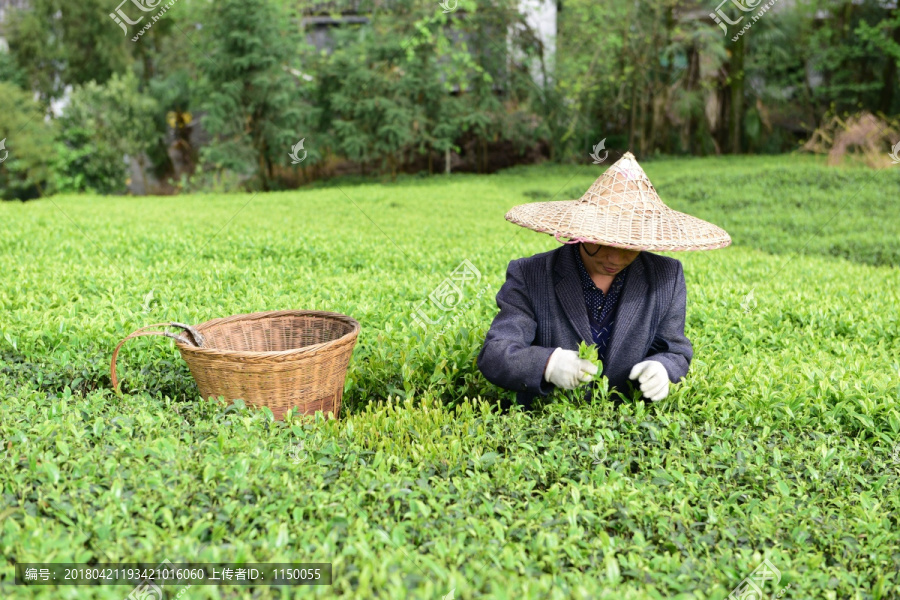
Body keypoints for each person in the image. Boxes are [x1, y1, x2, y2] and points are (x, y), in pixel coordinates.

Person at [477, 152, 731, 409]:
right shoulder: (531, 273)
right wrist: (548, 364)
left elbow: (675, 350)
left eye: (629, 245)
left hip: (628, 430)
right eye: (603, 242)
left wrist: (663, 369)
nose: (615, 257)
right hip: (549, 426)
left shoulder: (666, 276)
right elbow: (495, 354)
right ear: (581, 230)